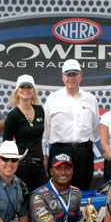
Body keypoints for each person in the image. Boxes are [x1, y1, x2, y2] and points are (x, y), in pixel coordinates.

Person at [42, 59, 99, 191]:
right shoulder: (53, 98)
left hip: (83, 153)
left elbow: (95, 128)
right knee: (59, 191)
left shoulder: (90, 99)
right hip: (59, 151)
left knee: (83, 191)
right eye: (68, 74)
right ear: (63, 76)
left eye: (74, 74)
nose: (71, 78)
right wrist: (44, 155)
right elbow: (46, 129)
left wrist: (85, 148)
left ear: (80, 75)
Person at [3, 74, 49, 191]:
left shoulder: (40, 110)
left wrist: (44, 156)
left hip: (39, 165)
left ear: (33, 91)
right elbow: (6, 143)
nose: (25, 90)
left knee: (43, 197)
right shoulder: (13, 115)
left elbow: (44, 137)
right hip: (21, 166)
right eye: (22, 87)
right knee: (22, 198)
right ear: (17, 91)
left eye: (29, 87)